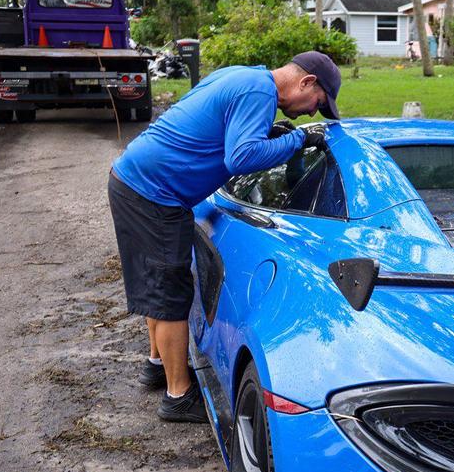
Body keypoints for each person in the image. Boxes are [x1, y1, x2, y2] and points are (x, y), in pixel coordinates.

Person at [108, 51, 341, 422]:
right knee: (170, 292)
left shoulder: (245, 75)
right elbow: (241, 157)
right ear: (307, 82)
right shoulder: (259, 93)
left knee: (159, 281)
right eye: (319, 103)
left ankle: (156, 365)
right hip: (153, 193)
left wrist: (270, 134)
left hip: (136, 181)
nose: (314, 112)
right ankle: (178, 397)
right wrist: (297, 141)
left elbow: (220, 130)